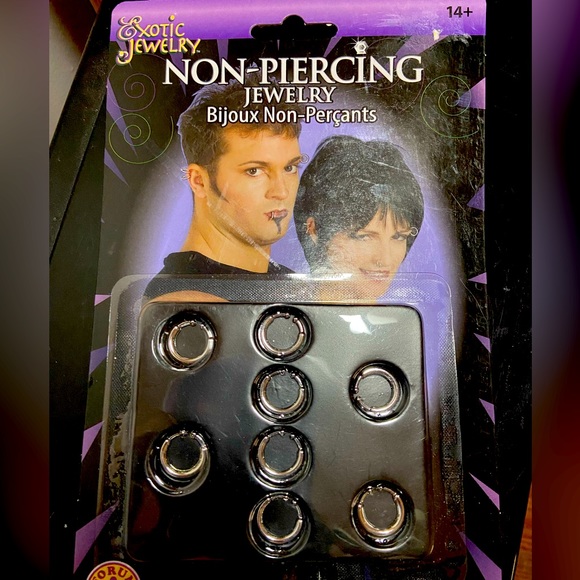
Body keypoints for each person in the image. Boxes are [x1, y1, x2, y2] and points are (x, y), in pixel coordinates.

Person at [159, 74, 305, 277]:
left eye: (289, 168)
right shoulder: (184, 293)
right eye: (254, 171)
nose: (281, 192)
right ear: (199, 181)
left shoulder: (288, 282)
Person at [294, 135, 424, 299]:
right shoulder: (282, 311)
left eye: (398, 237)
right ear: (314, 230)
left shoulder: (409, 314)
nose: (385, 260)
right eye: (364, 237)